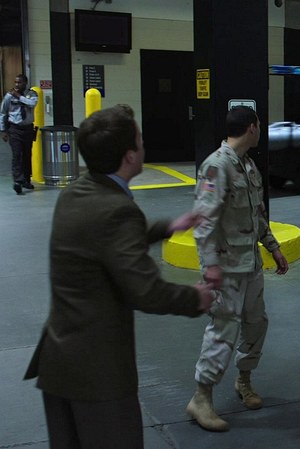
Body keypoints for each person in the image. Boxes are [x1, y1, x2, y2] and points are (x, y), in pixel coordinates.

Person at [23, 105, 214, 449]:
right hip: (98, 375)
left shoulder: (76, 192)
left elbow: (102, 239)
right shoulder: (118, 210)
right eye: (139, 140)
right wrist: (196, 298)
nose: (143, 145)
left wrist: (167, 227)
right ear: (130, 156)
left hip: (59, 362)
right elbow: (146, 291)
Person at [186, 106, 290, 432]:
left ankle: (244, 380)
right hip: (227, 268)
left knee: (256, 324)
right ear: (251, 128)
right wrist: (210, 267)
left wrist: (273, 247)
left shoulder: (247, 165)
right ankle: (201, 398)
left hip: (251, 264)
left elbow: (257, 214)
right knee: (222, 331)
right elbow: (203, 223)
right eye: (259, 124)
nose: (260, 129)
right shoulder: (216, 167)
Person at [0, 74, 38, 194]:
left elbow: (32, 104)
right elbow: (3, 113)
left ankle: (26, 180)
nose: (17, 85)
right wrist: (3, 130)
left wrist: (19, 97)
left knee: (27, 155)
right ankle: (17, 181)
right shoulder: (9, 96)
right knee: (17, 155)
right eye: (15, 82)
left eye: (19, 82)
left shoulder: (32, 94)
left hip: (27, 129)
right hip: (14, 129)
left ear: (25, 83)